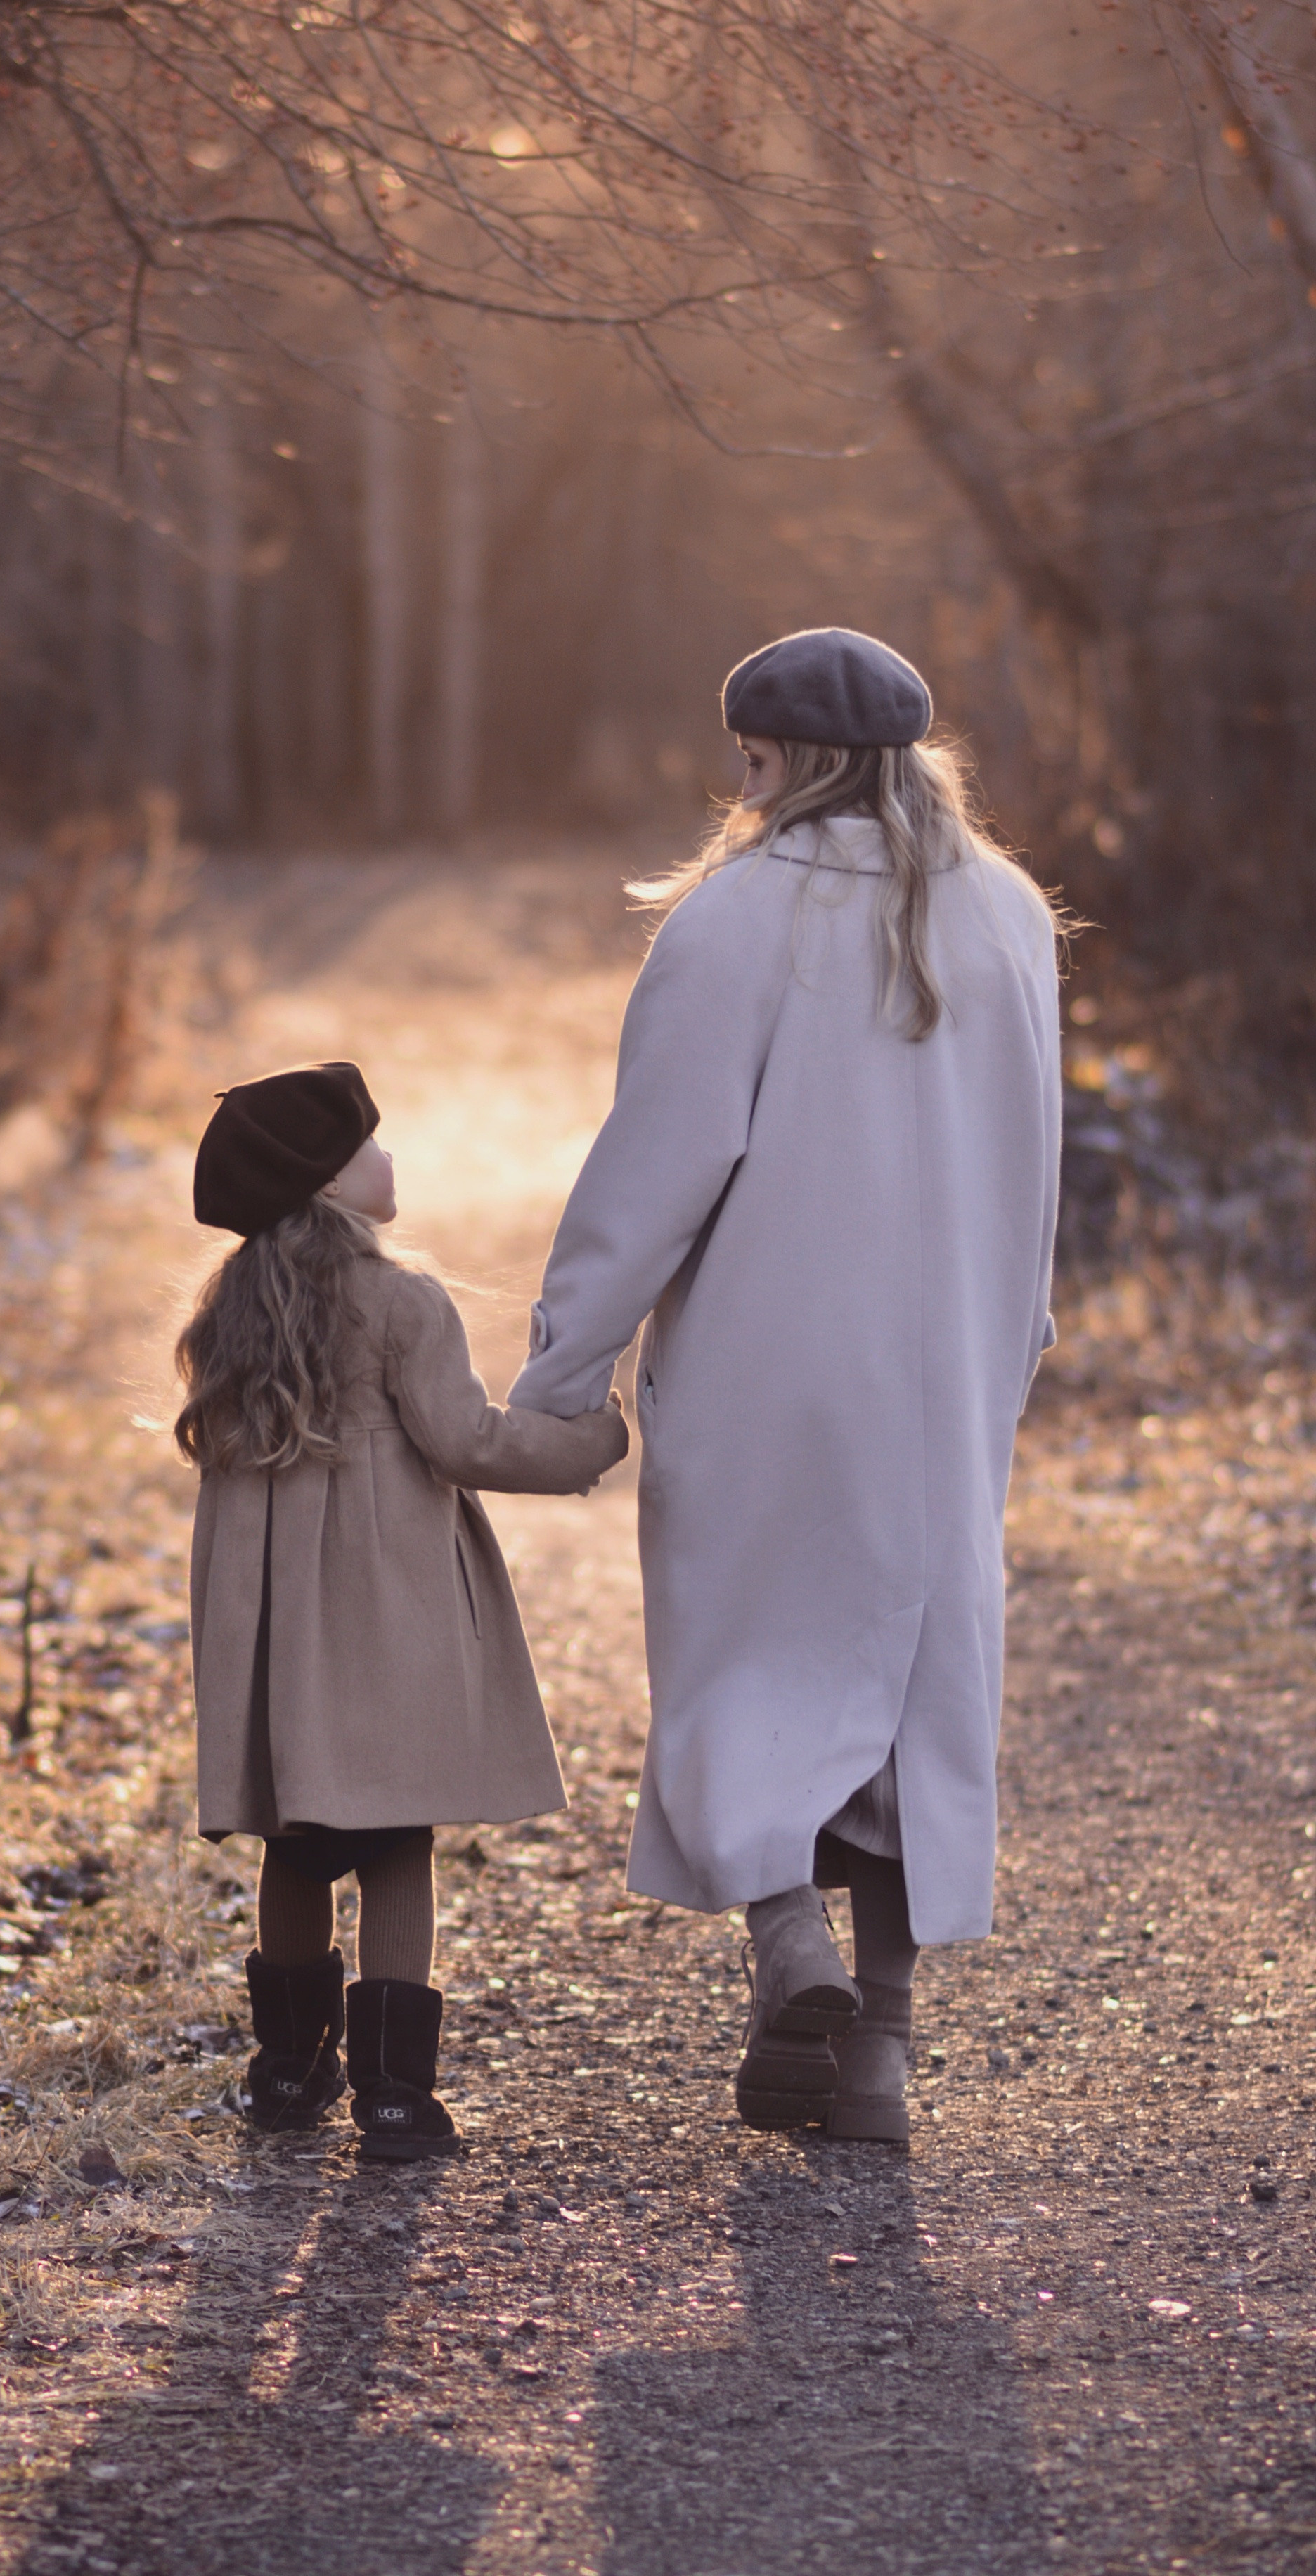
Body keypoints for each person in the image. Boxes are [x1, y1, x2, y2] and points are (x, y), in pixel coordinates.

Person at [508, 629, 1064, 2145]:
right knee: (905, 1694)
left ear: (772, 761)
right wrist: (1009, 1350)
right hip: (940, 1372)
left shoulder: (733, 918)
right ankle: (870, 2052)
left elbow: (651, 1176)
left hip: (768, 1365)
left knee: (745, 1660)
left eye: (743, 762)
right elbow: (1036, 1169)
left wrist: (564, 1372)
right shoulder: (1010, 917)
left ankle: (785, 1950)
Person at [177, 1060, 628, 2161]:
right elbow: (464, 1441)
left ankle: (286, 2071)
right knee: (393, 1844)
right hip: (382, 1614)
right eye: (369, 1144)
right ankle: (390, 2093)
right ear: (327, 1180)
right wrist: (590, 1442)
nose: (390, 1159)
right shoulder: (402, 1303)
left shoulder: (227, 1313)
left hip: (280, 1627)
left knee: (296, 1841)